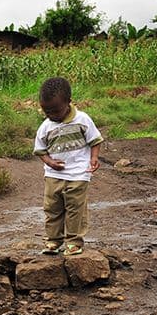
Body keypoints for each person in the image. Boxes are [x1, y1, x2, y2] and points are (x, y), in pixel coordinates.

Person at [33, 77, 103, 257]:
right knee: (52, 208)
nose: (51, 115)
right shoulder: (46, 126)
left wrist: (94, 157)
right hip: (53, 176)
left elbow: (95, 140)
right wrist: (50, 162)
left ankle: (73, 242)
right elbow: (40, 150)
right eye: (46, 111)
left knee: (75, 209)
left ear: (68, 102)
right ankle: (53, 241)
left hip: (79, 174)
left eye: (55, 110)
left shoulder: (82, 119)